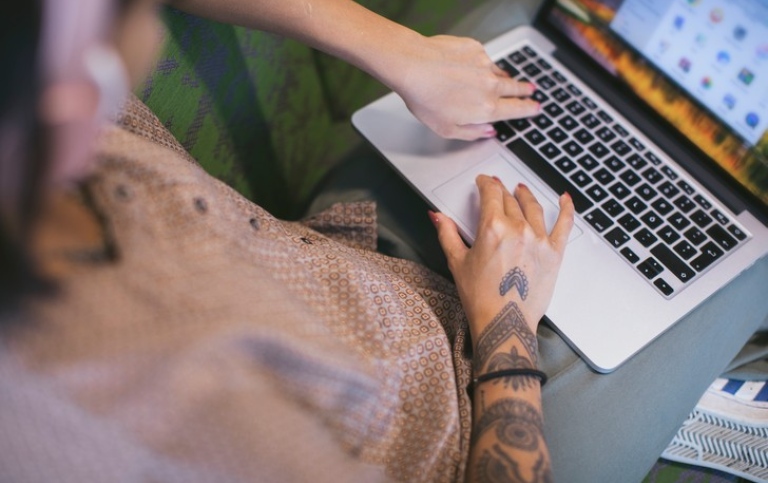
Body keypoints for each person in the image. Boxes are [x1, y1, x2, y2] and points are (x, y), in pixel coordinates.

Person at [0, 1, 765, 483]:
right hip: (482, 427)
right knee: (746, 247)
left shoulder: (36, 115)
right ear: (75, 77)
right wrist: (505, 326)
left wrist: (394, 50)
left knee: (524, 32)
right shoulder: (170, 431)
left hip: (349, 255)